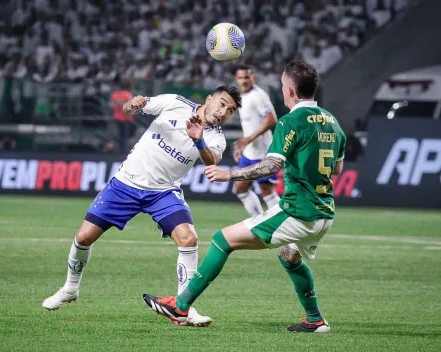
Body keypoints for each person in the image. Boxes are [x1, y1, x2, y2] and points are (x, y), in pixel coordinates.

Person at [142, 60, 347, 333]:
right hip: (324, 212)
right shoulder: (333, 122)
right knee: (289, 255)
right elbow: (337, 168)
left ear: (290, 91)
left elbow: (272, 165)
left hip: (298, 210)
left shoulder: (291, 121)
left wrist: (230, 174)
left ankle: (180, 306)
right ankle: (315, 319)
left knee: (221, 240)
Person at [43, 86, 242, 327]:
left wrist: (198, 140)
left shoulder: (216, 137)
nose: (223, 112)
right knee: (84, 238)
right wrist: (133, 104)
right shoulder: (174, 103)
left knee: (188, 239)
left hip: (163, 192)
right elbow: (132, 107)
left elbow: (211, 160)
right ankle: (70, 289)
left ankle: (184, 307)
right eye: (221, 103)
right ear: (209, 99)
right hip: (125, 184)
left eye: (230, 110)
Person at [233, 65, 280, 216]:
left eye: (247, 77)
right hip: (250, 152)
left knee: (266, 190)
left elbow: (271, 120)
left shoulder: (258, 95)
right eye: (241, 78)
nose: (244, 81)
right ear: (237, 80)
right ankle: (258, 221)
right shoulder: (242, 97)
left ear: (253, 78)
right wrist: (242, 147)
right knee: (240, 187)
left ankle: (285, 226)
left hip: (264, 152)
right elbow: (249, 125)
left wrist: (247, 139)